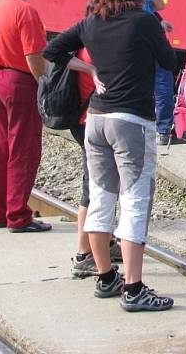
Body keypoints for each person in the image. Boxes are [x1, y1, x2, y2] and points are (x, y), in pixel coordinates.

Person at [43, 0, 177, 312]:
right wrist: (157, 34)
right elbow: (167, 61)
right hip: (131, 121)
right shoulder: (144, 22)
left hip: (96, 120)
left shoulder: (90, 23)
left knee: (101, 198)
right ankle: (133, 288)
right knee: (134, 202)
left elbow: (53, 51)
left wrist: (90, 70)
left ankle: (106, 276)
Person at [0, 0, 50, 233]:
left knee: (0, 149)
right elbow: (33, 55)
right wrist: (43, 82)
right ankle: (18, 215)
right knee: (23, 149)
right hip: (19, 83)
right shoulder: (26, 11)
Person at [66, 47, 125, 278]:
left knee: (100, 186)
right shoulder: (98, 48)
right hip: (91, 122)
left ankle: (105, 242)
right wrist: (90, 69)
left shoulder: (88, 41)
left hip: (89, 122)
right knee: (93, 190)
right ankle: (83, 255)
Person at [117, 0, 176, 146]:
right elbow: (158, 3)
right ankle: (163, 129)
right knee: (163, 77)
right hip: (145, 33)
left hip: (121, 35)